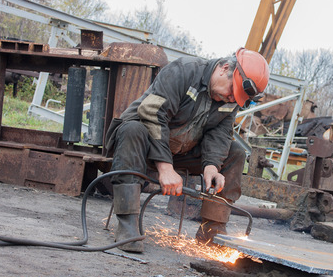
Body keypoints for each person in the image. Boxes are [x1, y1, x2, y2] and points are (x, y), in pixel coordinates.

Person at [105, 48, 270, 253]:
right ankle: (127, 224)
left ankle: (213, 231)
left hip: (182, 151)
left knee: (236, 152)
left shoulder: (230, 98)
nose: (230, 99)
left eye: (235, 98)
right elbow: (153, 114)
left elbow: (220, 133)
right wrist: (165, 168)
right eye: (231, 91)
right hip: (143, 145)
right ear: (225, 68)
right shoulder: (183, 71)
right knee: (132, 129)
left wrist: (212, 166)